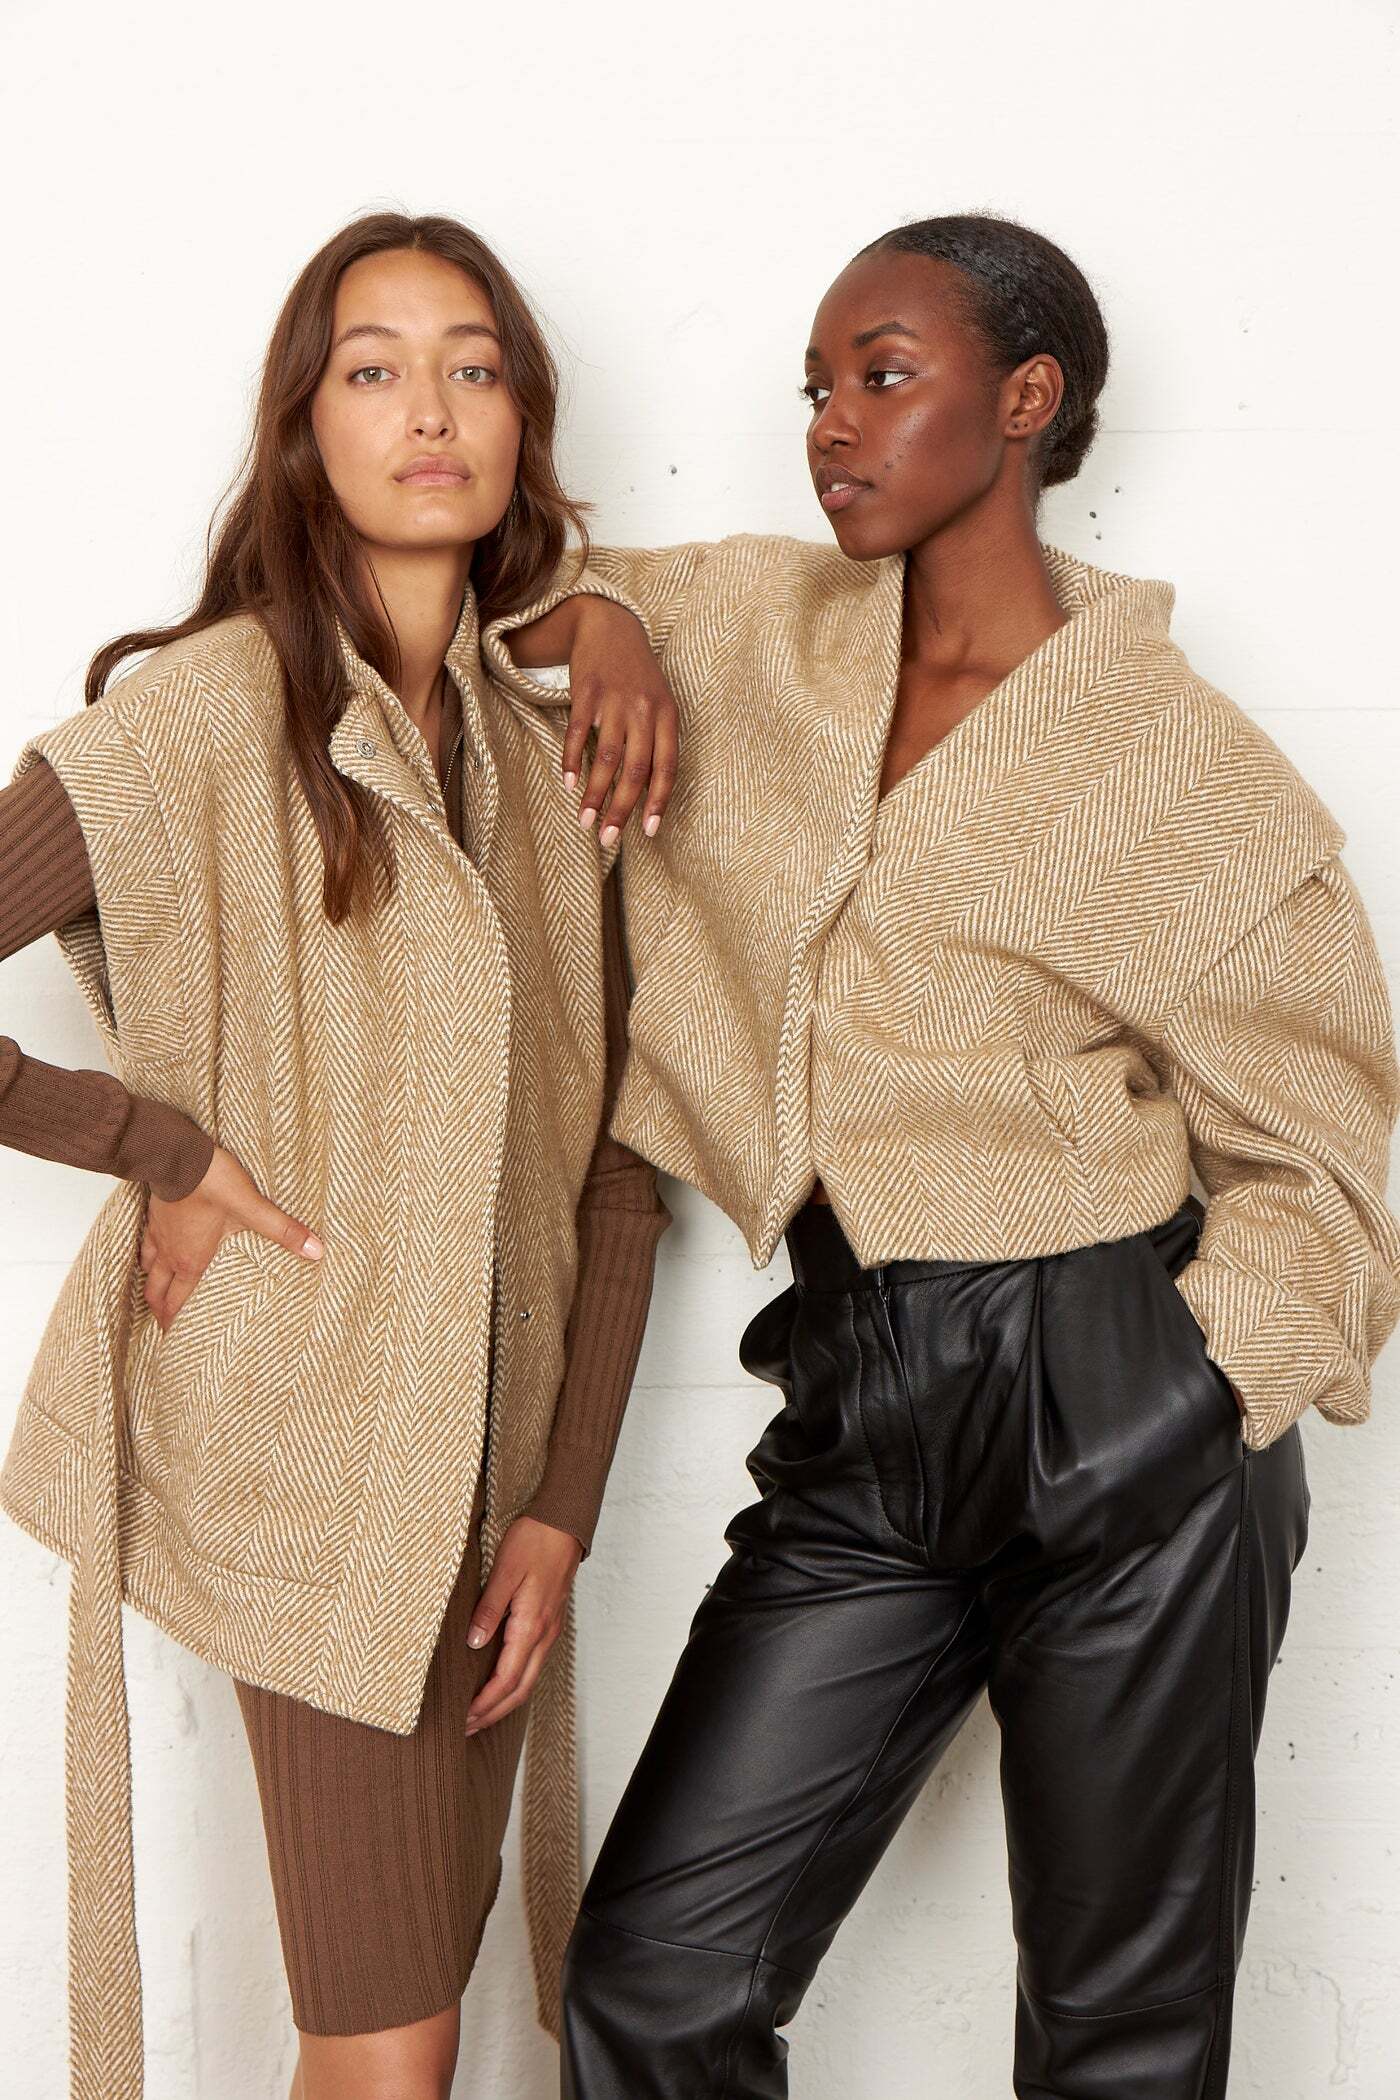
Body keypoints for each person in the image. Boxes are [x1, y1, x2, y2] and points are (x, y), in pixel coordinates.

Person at [490, 212, 1400, 2097]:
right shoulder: (757, 628)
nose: (832, 422)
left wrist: (1188, 1392)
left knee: (1117, 2039)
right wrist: (611, 629)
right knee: (650, 1982)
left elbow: (1332, 1160)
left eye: (884, 376)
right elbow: (490, 581)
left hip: (1126, 1398)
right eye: (815, 387)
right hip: (862, 1412)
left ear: (1028, 398)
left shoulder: (1175, 763)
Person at [0, 211, 677, 2100]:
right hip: (310, 1474)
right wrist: (148, 1142)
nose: (430, 410)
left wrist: (560, 1507)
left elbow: (616, 1171)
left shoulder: (548, 755)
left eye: (474, 367)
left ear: (526, 421)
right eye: (373, 371)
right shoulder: (201, 720)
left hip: (491, 1494)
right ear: (305, 429)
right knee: (392, 2046)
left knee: (396, 2037)